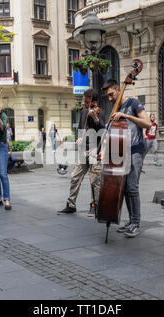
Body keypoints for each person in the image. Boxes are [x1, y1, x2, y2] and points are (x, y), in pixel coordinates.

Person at [102, 79, 152, 238]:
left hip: (135, 150)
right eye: (108, 96)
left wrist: (126, 116)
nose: (109, 99)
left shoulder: (133, 103)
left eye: (111, 94)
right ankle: (131, 222)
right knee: (124, 189)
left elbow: (147, 124)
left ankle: (136, 223)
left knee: (132, 187)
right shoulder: (116, 107)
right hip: (121, 152)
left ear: (119, 89)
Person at [58, 88, 105, 217]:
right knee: (75, 177)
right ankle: (71, 204)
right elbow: (81, 128)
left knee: (95, 179)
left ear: (91, 99)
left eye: (86, 98)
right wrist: (78, 137)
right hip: (83, 149)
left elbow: (102, 128)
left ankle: (94, 205)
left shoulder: (99, 111)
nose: (84, 100)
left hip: (95, 149)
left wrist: (95, 118)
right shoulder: (84, 112)